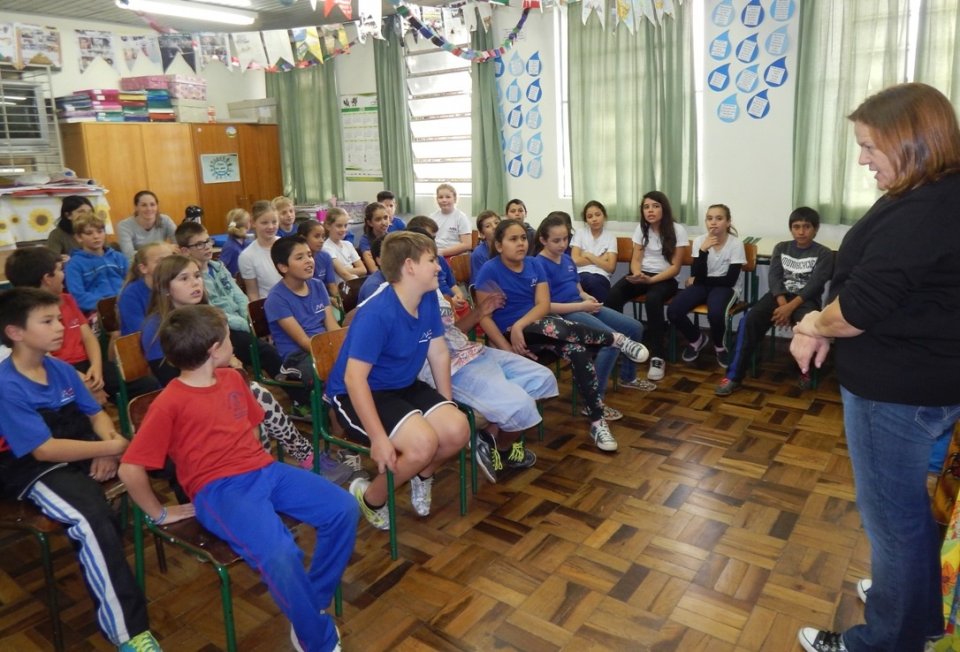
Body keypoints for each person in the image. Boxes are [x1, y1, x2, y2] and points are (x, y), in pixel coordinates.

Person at [792, 83, 960, 652]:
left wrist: (813, 325)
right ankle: (912, 605)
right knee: (907, 515)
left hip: (895, 393)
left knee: (893, 521)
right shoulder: (933, 192)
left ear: (910, 141)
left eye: (868, 146)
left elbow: (859, 308)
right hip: (929, 381)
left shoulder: (923, 210)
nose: (861, 158)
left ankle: (882, 640)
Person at [119, 304, 356, 652]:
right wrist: (160, 513)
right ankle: (315, 638)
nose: (235, 339)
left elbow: (250, 425)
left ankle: (307, 604)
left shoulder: (232, 378)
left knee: (343, 508)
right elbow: (129, 468)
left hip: (265, 470)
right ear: (214, 350)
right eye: (229, 336)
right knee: (280, 554)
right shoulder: (169, 402)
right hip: (220, 491)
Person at [0, 288, 161, 652]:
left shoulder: (59, 368)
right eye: (48, 321)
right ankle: (130, 634)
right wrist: (110, 446)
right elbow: (43, 450)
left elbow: (95, 413)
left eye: (59, 318)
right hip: (30, 468)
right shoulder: (6, 385)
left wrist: (107, 445)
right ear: (15, 333)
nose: (62, 326)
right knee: (90, 518)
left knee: (157, 456)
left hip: (78, 447)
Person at [324, 231, 470, 530]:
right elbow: (354, 380)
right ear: (410, 266)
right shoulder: (377, 313)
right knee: (422, 445)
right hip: (358, 393)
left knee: (457, 430)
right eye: (432, 260)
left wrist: (447, 403)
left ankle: (422, 474)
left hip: (401, 385)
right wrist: (378, 438)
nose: (440, 267)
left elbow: (438, 352)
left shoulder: (427, 296)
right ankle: (371, 497)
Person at [475, 219, 649, 453]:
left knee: (577, 351)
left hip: (536, 326)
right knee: (553, 326)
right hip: (511, 335)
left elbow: (543, 304)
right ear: (498, 245)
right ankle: (615, 339)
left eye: (523, 238)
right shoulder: (490, 269)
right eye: (513, 239)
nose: (520, 244)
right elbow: (484, 316)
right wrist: (507, 346)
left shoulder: (533, 265)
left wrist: (521, 324)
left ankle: (597, 422)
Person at [140, 255, 320, 471]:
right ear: (165, 288)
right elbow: (173, 379)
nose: (195, 283)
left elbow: (233, 358)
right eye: (184, 279)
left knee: (253, 395)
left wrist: (229, 366)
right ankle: (272, 462)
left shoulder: (207, 315)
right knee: (252, 395)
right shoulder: (156, 328)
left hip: (218, 390)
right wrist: (224, 366)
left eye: (197, 276)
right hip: (187, 404)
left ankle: (271, 461)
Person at [425, 287, 558, 484]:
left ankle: (490, 440)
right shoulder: (396, 296)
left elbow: (454, 332)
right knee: (521, 407)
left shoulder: (431, 287)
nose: (438, 268)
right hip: (451, 368)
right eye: (430, 261)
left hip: (473, 352)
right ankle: (500, 445)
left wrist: (479, 312)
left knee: (544, 379)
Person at [5, 247, 158, 404]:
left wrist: (96, 368)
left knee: (148, 386)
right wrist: (83, 381)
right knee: (81, 406)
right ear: (47, 279)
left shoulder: (68, 299)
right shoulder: (23, 314)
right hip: (55, 371)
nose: (63, 275)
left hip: (88, 365)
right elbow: (44, 357)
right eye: (60, 270)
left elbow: (88, 337)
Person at [537, 214, 652, 413]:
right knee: (612, 340)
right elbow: (545, 307)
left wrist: (586, 297)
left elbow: (577, 288)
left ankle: (628, 377)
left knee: (635, 327)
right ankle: (594, 403)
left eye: (565, 239)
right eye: (556, 240)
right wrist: (581, 306)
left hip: (580, 306)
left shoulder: (566, 259)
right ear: (543, 240)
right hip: (563, 314)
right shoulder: (537, 265)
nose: (563, 244)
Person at [716, 207, 833, 396]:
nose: (801, 232)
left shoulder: (824, 253)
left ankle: (805, 372)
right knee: (749, 321)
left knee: (809, 329)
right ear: (791, 229)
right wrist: (782, 306)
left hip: (805, 300)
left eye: (806, 227)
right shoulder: (781, 247)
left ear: (815, 229)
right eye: (796, 227)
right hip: (778, 297)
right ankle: (733, 376)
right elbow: (774, 278)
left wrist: (789, 308)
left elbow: (815, 284)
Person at [176, 220, 283, 379]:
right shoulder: (192, 279)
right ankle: (294, 390)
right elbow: (212, 311)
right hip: (223, 328)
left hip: (243, 321)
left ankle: (292, 376)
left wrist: (249, 317)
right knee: (266, 352)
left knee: (279, 335)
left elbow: (238, 295)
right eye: (199, 244)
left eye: (207, 241)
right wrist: (246, 324)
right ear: (185, 251)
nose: (206, 246)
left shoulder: (218, 266)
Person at [604, 191, 689, 382]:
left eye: (655, 206)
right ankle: (617, 344)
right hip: (642, 275)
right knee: (613, 296)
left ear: (664, 208)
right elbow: (636, 260)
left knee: (653, 299)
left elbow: (675, 268)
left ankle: (658, 356)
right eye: (646, 207)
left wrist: (651, 280)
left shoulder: (677, 230)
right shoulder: (641, 229)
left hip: (665, 278)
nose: (650, 210)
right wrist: (636, 274)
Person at [667, 203, 746, 369]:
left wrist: (698, 280)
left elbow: (729, 280)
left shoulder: (736, 244)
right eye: (709, 218)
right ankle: (697, 339)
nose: (713, 222)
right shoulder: (699, 241)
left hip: (726, 288)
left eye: (719, 218)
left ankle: (719, 346)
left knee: (716, 314)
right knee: (673, 311)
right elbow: (698, 273)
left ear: (728, 222)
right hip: (704, 284)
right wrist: (703, 251)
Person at [264, 235, 339, 391]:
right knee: (332, 375)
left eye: (309, 255)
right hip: (298, 356)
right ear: (283, 267)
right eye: (299, 257)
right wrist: (333, 353)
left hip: (323, 345)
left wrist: (343, 346)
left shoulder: (317, 285)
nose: (309, 261)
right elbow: (304, 342)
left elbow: (332, 326)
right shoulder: (276, 299)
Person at [64, 212, 129, 314]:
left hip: (126, 304)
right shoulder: (74, 265)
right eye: (89, 233)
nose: (96, 236)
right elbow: (78, 296)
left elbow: (132, 282)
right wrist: (107, 304)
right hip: (97, 312)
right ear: (78, 237)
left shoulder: (119, 257)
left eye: (100, 231)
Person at [118, 241, 177, 335]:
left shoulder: (176, 285)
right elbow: (140, 332)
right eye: (160, 261)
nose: (168, 265)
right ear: (143, 268)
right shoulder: (130, 294)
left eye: (170, 259)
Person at [570, 200, 618, 304]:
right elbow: (575, 260)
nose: (594, 219)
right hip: (581, 274)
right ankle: (606, 314)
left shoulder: (611, 237)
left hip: (602, 276)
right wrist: (600, 259)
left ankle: (600, 313)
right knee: (591, 282)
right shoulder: (580, 233)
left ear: (604, 216)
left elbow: (611, 268)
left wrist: (588, 255)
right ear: (586, 220)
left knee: (598, 284)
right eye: (590, 216)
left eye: (597, 215)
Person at [238, 200, 282, 301]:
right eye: (264, 223)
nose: (271, 227)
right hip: (270, 305)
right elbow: (253, 293)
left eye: (274, 222)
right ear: (253, 222)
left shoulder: (287, 244)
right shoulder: (247, 256)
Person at [116, 190, 177, 260]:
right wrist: (164, 249)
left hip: (162, 263)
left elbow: (178, 245)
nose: (149, 209)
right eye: (144, 205)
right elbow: (129, 255)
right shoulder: (124, 226)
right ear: (136, 207)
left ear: (157, 206)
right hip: (139, 264)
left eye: (152, 204)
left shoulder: (166, 220)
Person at [296, 219, 342, 309]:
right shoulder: (297, 261)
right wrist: (327, 300)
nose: (321, 241)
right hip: (306, 303)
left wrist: (339, 304)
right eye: (317, 236)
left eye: (323, 237)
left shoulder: (325, 256)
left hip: (327, 301)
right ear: (303, 238)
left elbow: (332, 285)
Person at [323, 207, 366, 283]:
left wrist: (340, 270)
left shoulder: (348, 244)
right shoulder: (326, 247)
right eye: (339, 226)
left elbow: (363, 270)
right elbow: (344, 275)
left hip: (353, 282)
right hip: (342, 288)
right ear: (328, 226)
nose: (343, 229)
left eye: (345, 226)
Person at [429, 183, 472, 256]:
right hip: (434, 254)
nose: (444, 200)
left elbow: (467, 244)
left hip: (454, 257)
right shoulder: (432, 217)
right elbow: (427, 239)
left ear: (455, 199)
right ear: (437, 199)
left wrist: (441, 253)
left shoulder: (461, 217)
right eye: (440, 197)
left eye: (448, 197)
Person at [46, 195, 93, 259]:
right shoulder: (57, 235)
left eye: (90, 211)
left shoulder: (98, 231)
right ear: (68, 215)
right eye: (81, 211)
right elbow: (52, 260)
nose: (87, 215)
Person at [358, 202, 391, 273]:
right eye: (378, 219)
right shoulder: (365, 240)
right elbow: (373, 269)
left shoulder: (391, 237)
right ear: (370, 223)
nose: (384, 222)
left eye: (386, 217)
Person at [219, 208, 252, 276]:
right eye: (249, 221)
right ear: (247, 225)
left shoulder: (247, 242)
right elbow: (220, 269)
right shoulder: (230, 246)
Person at [471, 210, 500, 280]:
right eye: (488, 226)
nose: (494, 227)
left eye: (496, 223)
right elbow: (482, 283)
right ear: (482, 234)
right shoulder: (479, 254)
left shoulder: (509, 247)